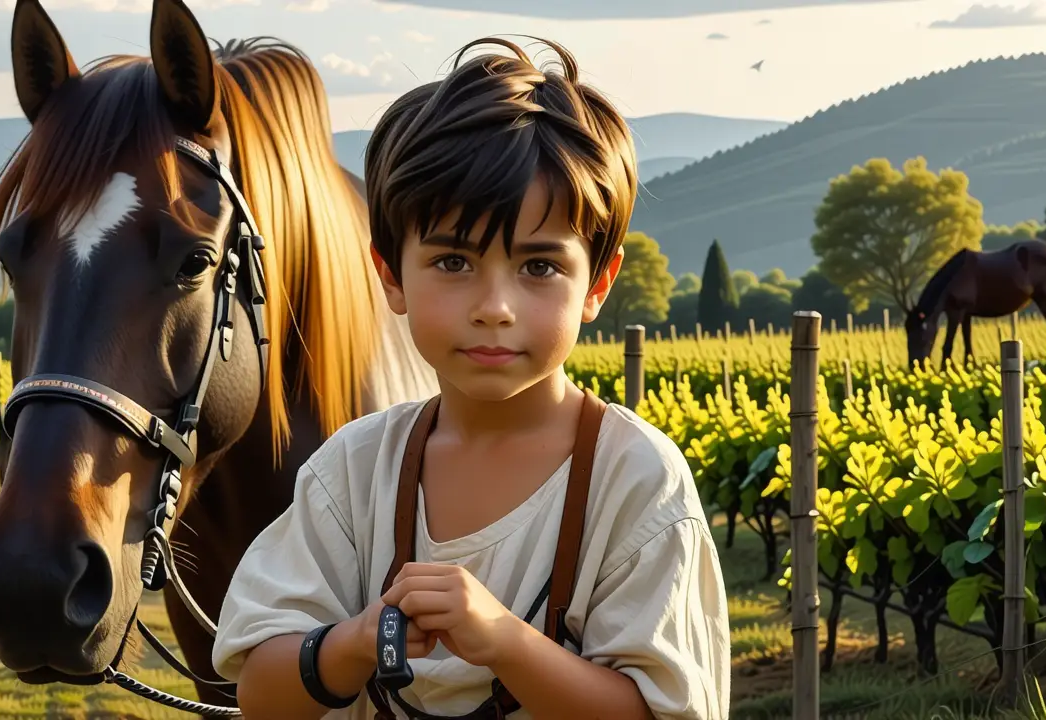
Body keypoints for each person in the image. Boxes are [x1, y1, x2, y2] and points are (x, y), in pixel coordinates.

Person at [211, 35, 730, 720]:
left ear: (598, 284)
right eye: (454, 263)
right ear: (391, 274)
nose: (494, 308)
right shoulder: (352, 472)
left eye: (539, 267)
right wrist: (359, 640)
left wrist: (506, 642)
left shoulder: (635, 483)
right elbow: (262, 693)